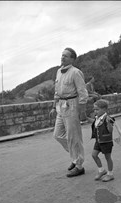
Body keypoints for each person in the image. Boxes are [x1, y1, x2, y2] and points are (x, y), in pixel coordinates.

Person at [49, 47, 88, 178]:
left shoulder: (76, 73)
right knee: (57, 134)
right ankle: (75, 157)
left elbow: (82, 92)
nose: (62, 57)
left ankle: (79, 165)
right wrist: (54, 107)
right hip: (61, 105)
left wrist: (82, 110)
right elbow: (56, 91)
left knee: (74, 136)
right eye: (62, 55)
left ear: (72, 59)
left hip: (72, 105)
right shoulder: (58, 72)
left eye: (65, 56)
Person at [89, 99, 115, 182]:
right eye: (94, 109)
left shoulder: (108, 118)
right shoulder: (98, 118)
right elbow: (95, 123)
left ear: (104, 110)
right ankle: (101, 170)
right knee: (94, 155)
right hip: (98, 141)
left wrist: (109, 125)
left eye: (97, 109)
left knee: (108, 157)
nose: (95, 111)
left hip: (106, 142)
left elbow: (110, 130)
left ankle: (110, 174)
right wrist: (86, 118)